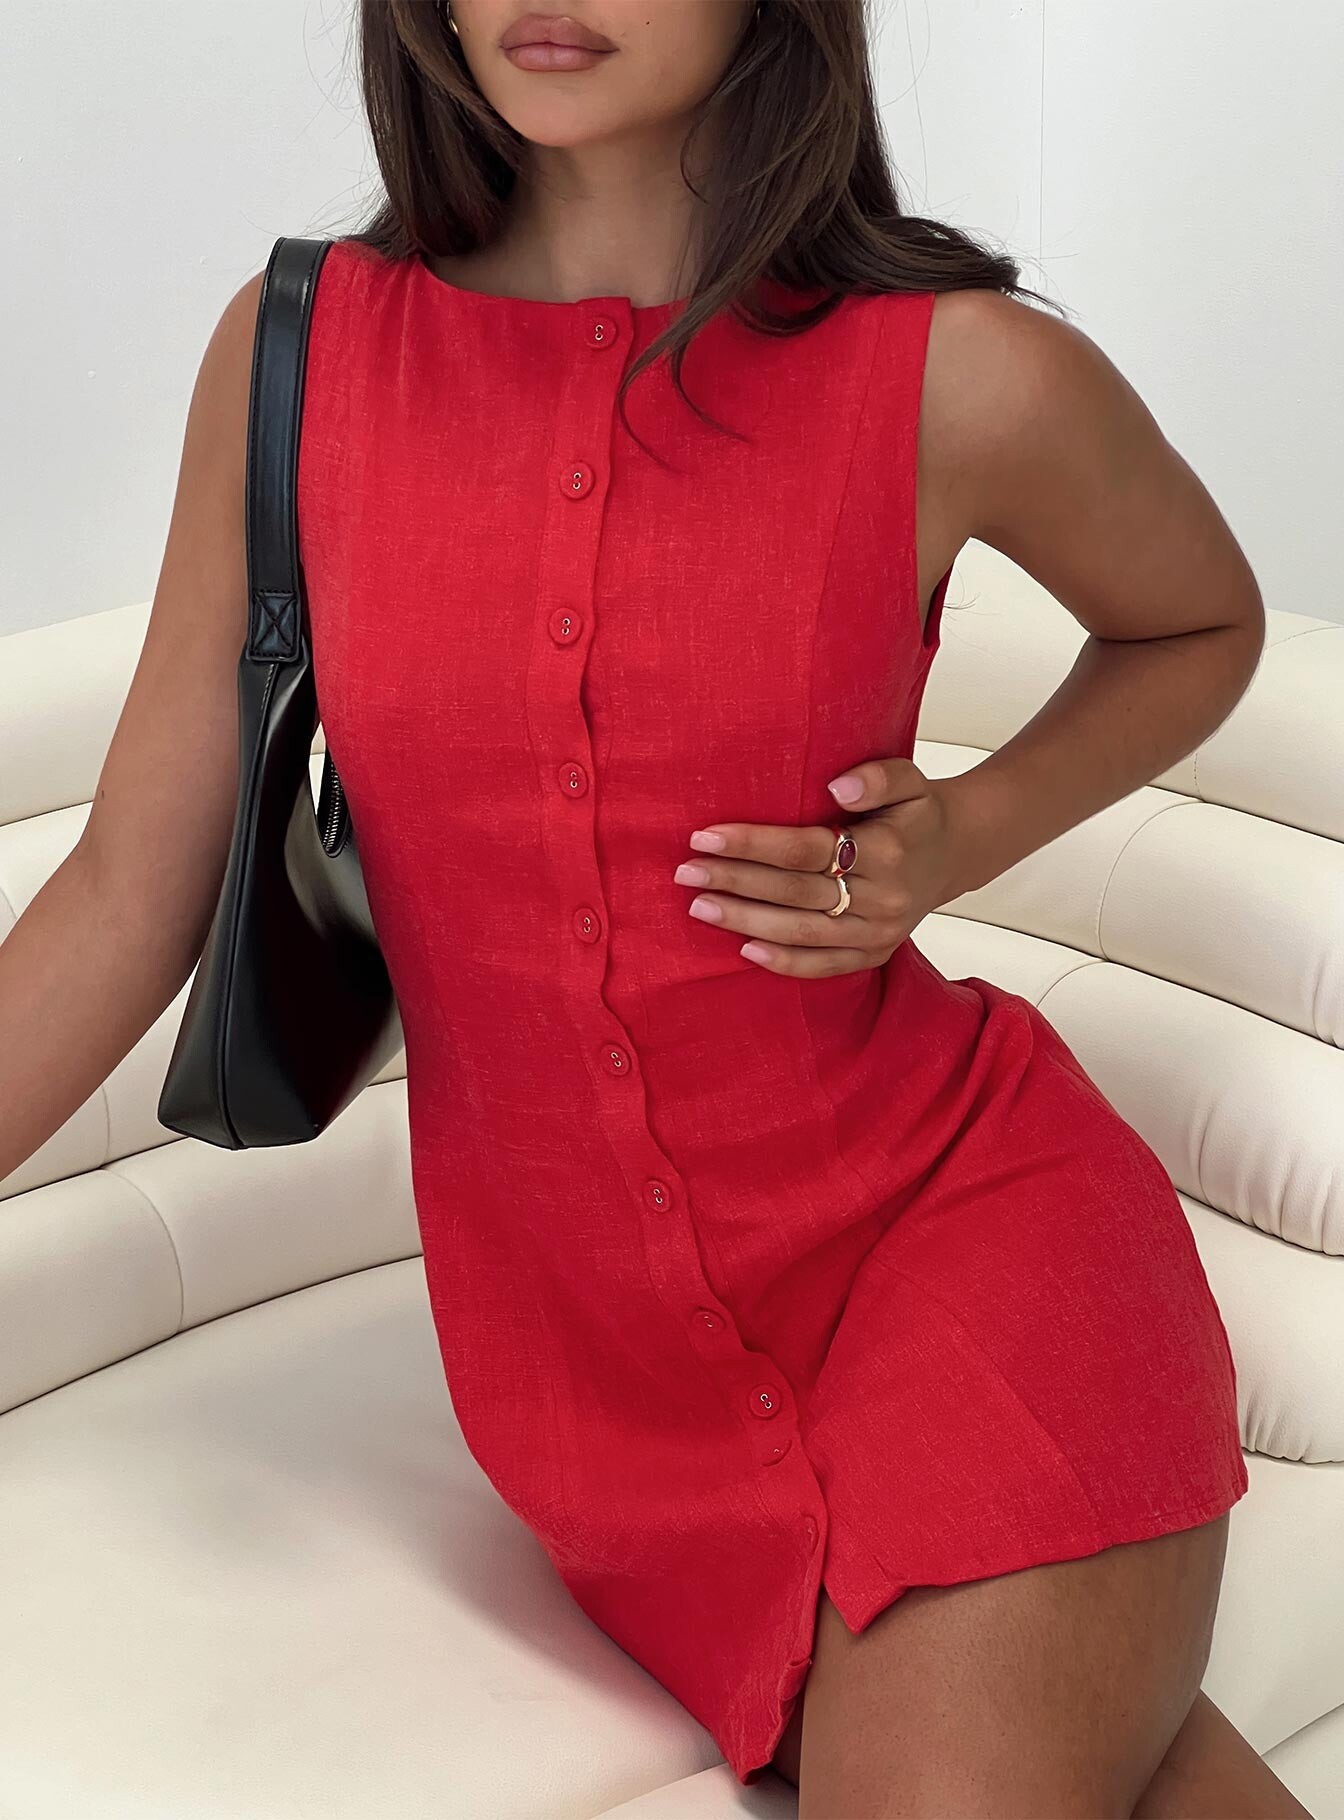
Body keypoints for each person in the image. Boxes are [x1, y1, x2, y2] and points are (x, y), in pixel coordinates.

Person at [0, 3, 1310, 1815]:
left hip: (972, 1255)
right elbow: (124, 893)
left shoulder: (959, 371)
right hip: (608, 1414)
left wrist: (962, 833)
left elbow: (1199, 621)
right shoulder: (301, 356)